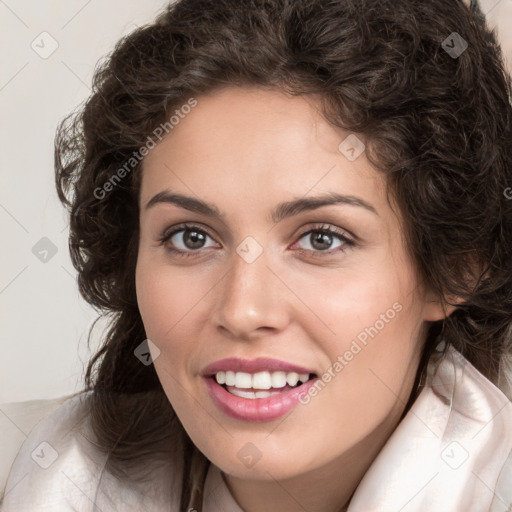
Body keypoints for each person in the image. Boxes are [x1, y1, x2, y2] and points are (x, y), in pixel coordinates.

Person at [2, 0, 512, 510]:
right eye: (191, 237)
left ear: (454, 266)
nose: (242, 311)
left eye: (321, 239)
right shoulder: (28, 474)